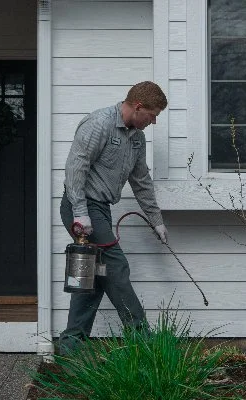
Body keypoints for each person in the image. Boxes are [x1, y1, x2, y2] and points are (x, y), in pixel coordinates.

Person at [58, 81, 169, 355]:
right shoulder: (99, 124)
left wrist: (156, 219)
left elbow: (141, 181)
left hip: (102, 209)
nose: (153, 122)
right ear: (139, 107)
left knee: (95, 278)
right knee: (116, 267)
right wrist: (81, 212)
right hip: (82, 207)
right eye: (152, 115)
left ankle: (71, 343)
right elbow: (75, 169)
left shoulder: (137, 139)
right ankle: (142, 340)